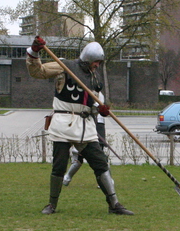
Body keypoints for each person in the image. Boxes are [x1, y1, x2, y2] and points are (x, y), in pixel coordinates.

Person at [26, 36, 133, 215]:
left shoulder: (94, 78)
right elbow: (38, 71)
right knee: (59, 166)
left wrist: (101, 110)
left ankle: (114, 204)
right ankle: (52, 204)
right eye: (96, 62)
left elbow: (92, 104)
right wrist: (34, 52)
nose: (97, 65)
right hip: (63, 124)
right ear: (89, 59)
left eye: (99, 62)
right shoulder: (65, 66)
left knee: (101, 163)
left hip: (85, 127)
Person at [63, 91, 110, 186]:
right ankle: (67, 178)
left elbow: (95, 109)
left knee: (99, 155)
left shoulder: (97, 94)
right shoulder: (80, 91)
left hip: (96, 123)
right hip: (82, 123)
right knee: (78, 154)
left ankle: (105, 180)